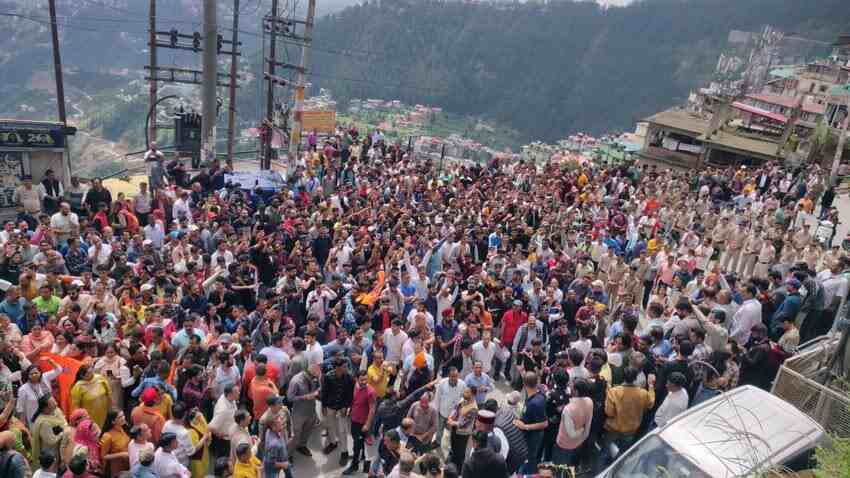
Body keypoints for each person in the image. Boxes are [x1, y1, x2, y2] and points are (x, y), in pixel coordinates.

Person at [603, 367, 655, 465]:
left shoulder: (613, 391)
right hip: (631, 429)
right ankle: (617, 465)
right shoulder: (643, 393)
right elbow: (650, 404)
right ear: (635, 378)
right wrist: (651, 386)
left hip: (614, 428)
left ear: (623, 377)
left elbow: (609, 412)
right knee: (623, 451)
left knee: (609, 447)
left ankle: (607, 462)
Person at [287, 363, 321, 457]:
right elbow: (290, 397)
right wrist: (305, 397)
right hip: (299, 412)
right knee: (295, 435)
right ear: (307, 373)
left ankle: (302, 445)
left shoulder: (315, 376)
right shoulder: (296, 381)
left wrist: (318, 391)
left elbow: (318, 387)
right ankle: (288, 455)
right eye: (313, 376)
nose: (314, 379)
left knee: (308, 430)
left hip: (311, 410)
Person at [446, 385, 477, 471]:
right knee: (453, 447)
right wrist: (451, 417)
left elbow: (464, 423)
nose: (464, 393)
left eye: (467, 392)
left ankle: (458, 469)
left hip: (463, 434)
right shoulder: (463, 399)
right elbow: (456, 408)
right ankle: (451, 462)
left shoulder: (473, 408)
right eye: (465, 391)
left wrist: (452, 422)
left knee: (460, 452)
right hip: (455, 429)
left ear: (473, 395)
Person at [100, 409, 131, 477]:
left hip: (126, 466)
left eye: (123, 415)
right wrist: (121, 454)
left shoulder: (124, 429)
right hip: (114, 470)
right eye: (120, 417)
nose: (123, 418)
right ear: (113, 421)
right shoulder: (107, 436)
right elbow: (103, 456)